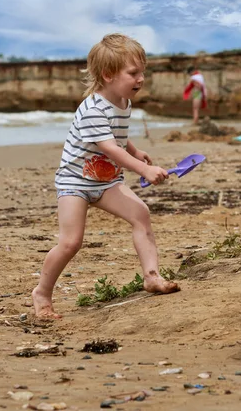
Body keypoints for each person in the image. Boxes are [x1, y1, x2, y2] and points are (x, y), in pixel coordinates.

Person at [32, 33, 179, 320]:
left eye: (142, 72)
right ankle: (42, 293)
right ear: (109, 74)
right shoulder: (92, 109)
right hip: (75, 182)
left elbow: (117, 138)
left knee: (141, 215)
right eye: (133, 73)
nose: (141, 79)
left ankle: (152, 276)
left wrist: (136, 151)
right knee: (71, 242)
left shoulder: (124, 103)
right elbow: (109, 148)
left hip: (107, 182)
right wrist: (144, 170)